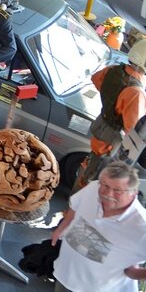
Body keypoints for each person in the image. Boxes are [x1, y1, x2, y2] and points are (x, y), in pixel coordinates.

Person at [52, 161, 146, 292]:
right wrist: (61, 228)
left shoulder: (142, 227)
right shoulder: (93, 188)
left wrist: (137, 274)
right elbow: (75, 206)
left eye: (117, 190)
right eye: (105, 185)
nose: (108, 193)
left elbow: (133, 270)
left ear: (133, 193)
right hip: (65, 274)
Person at [76, 40, 146, 190]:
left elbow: (96, 79)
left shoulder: (114, 70)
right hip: (112, 135)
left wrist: (112, 102)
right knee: (98, 170)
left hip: (102, 122)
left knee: (92, 160)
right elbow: (133, 129)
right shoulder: (135, 92)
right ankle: (82, 194)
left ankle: (82, 185)